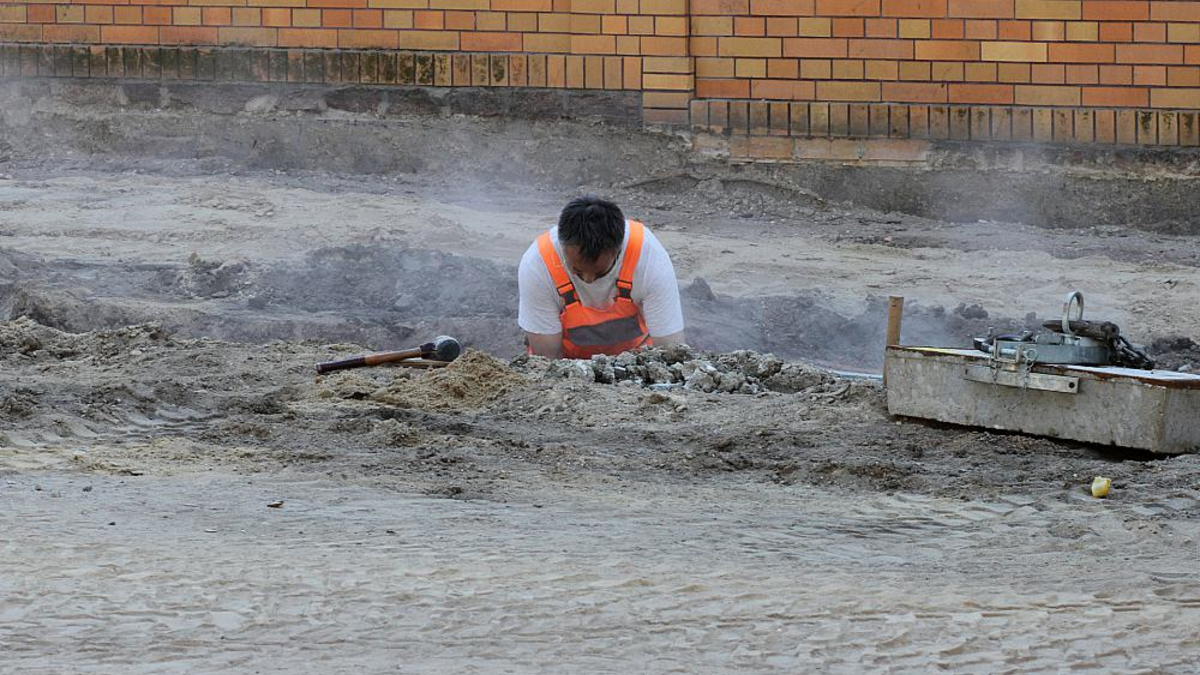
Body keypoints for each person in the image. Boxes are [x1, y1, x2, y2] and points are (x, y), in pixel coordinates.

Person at [518, 196, 685, 359]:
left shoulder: (647, 256)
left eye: (600, 273)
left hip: (636, 365)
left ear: (618, 250)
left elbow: (669, 349)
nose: (589, 280)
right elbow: (547, 358)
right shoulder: (539, 264)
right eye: (576, 270)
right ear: (562, 246)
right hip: (568, 369)